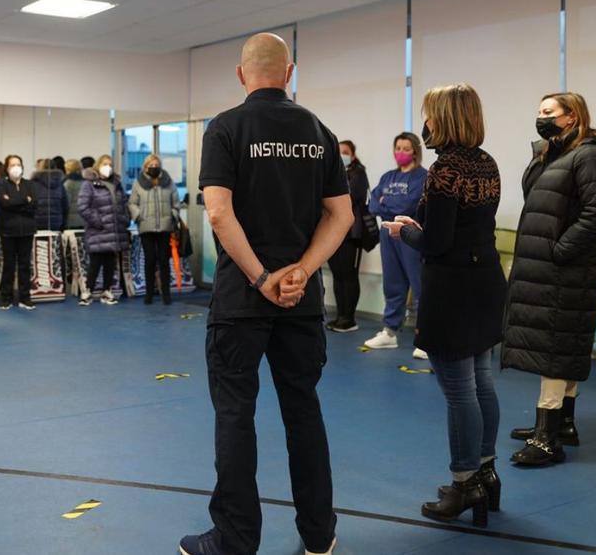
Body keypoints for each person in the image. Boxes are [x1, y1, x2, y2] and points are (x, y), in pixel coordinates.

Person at [180, 33, 351, 555]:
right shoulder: (318, 132)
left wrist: (260, 278)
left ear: (241, 74)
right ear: (290, 71)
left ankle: (234, 539)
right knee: (303, 411)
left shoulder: (226, 128)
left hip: (241, 299)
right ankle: (319, 535)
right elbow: (341, 215)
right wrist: (300, 270)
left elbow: (217, 211)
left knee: (236, 413)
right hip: (300, 300)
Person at [381, 84, 506, 528]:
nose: (426, 124)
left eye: (430, 115)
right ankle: (487, 473)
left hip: (454, 290)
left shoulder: (445, 169)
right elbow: (468, 227)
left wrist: (404, 231)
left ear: (446, 119)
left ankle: (464, 481)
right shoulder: (486, 162)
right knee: (482, 380)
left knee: (458, 391)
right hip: (487, 281)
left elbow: (436, 242)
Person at [503, 92, 596, 467]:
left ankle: (545, 438)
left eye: (549, 112)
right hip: (552, 267)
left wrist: (559, 251)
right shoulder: (552, 154)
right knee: (562, 346)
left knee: (555, 350)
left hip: (566, 269)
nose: (541, 117)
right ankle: (562, 425)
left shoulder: (590, 155)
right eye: (538, 111)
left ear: (572, 117)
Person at [365, 132, 429, 357]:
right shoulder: (388, 177)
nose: (400, 152)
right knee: (393, 283)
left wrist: (386, 204)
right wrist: (386, 206)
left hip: (410, 234)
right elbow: (373, 203)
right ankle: (389, 332)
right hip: (387, 235)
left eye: (405, 148)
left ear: (415, 151)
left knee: (420, 285)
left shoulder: (423, 177)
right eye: (397, 148)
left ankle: (425, 338)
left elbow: (411, 203)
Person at [327, 141, 369, 332]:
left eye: (345, 152)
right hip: (332, 233)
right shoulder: (330, 172)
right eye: (338, 151)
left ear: (352, 155)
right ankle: (339, 316)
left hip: (351, 234)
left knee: (349, 276)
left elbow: (351, 198)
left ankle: (349, 318)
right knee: (337, 275)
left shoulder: (358, 173)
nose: (341, 155)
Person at [77, 154, 129, 306]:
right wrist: (98, 221)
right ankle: (87, 291)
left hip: (115, 230)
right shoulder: (89, 184)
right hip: (98, 230)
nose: (108, 167)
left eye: (110, 164)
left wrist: (125, 219)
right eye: (105, 164)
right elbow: (83, 207)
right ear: (98, 166)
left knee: (110, 263)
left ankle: (107, 290)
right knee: (95, 262)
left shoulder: (117, 184)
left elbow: (124, 204)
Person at [129, 154, 180, 306]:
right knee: (150, 261)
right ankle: (149, 294)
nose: (154, 167)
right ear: (145, 167)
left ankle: (166, 294)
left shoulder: (168, 182)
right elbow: (132, 203)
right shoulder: (138, 183)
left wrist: (173, 215)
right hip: (146, 227)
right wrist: (139, 216)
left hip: (165, 227)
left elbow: (175, 202)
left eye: (156, 164)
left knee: (164, 261)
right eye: (151, 165)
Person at [0, 155, 37, 310]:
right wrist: (24, 200)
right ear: (6, 168)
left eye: (18, 164)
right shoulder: (1, 186)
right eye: (12, 165)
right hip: (8, 231)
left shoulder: (30, 185)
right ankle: (6, 297)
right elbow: (4, 203)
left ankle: (25, 297)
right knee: (9, 265)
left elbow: (34, 204)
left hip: (27, 230)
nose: (16, 167)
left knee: (25, 265)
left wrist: (15, 202)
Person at [33, 158, 68, 232]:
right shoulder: (60, 184)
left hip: (38, 222)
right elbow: (65, 206)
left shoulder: (33, 184)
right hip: (56, 222)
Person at [63, 159, 86, 230]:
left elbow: (66, 204)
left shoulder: (68, 184)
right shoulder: (86, 183)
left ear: (68, 169)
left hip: (71, 221)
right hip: (84, 219)